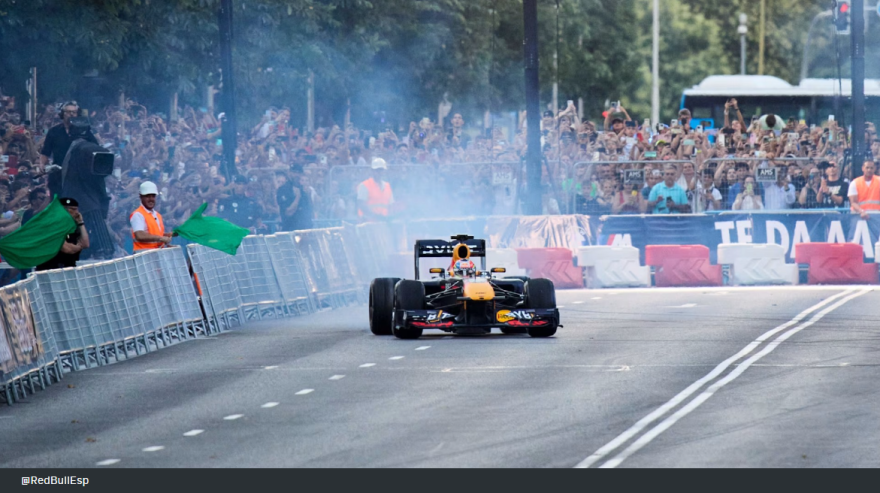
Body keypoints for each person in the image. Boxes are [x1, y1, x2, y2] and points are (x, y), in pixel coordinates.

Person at [39, 101, 98, 196]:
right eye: (68, 112)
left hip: (78, 175)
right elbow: (45, 152)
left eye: (74, 112)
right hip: (58, 174)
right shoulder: (54, 131)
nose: (71, 114)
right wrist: (42, 164)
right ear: (62, 114)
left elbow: (95, 148)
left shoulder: (85, 131)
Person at [35, 197, 90, 271]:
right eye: (72, 209)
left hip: (68, 267)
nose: (77, 212)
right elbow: (67, 249)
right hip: (50, 269)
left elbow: (86, 244)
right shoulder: (50, 225)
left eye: (76, 209)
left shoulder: (73, 226)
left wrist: (81, 223)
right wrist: (78, 247)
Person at [130, 181, 172, 251]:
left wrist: (166, 236)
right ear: (141, 197)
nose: (151, 199)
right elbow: (140, 235)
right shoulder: (137, 215)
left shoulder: (157, 215)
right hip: (143, 255)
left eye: (153, 196)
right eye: (147, 196)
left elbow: (154, 234)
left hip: (156, 254)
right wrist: (161, 238)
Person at [277, 164, 314, 231]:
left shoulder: (303, 189)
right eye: (294, 172)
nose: (296, 175)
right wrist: (297, 197)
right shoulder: (283, 189)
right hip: (291, 229)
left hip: (306, 228)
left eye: (299, 172)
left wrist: (308, 196)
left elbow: (310, 210)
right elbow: (288, 212)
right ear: (289, 173)